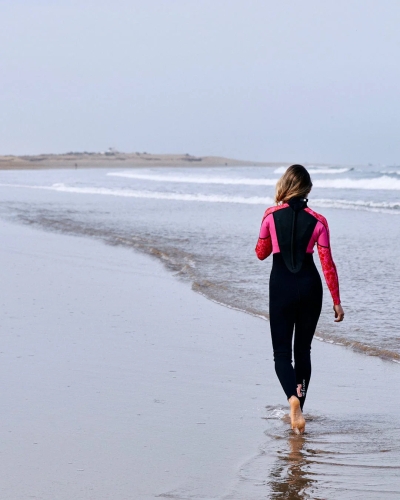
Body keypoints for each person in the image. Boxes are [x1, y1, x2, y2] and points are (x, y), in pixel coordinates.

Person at [255, 165, 344, 434]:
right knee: (303, 351)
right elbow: (327, 263)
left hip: (281, 287)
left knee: (282, 354)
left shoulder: (270, 215)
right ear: (307, 189)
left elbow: (261, 252)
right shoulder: (319, 221)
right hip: (310, 288)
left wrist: (275, 238)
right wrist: (336, 300)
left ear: (285, 185)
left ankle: (292, 400)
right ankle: (300, 409)